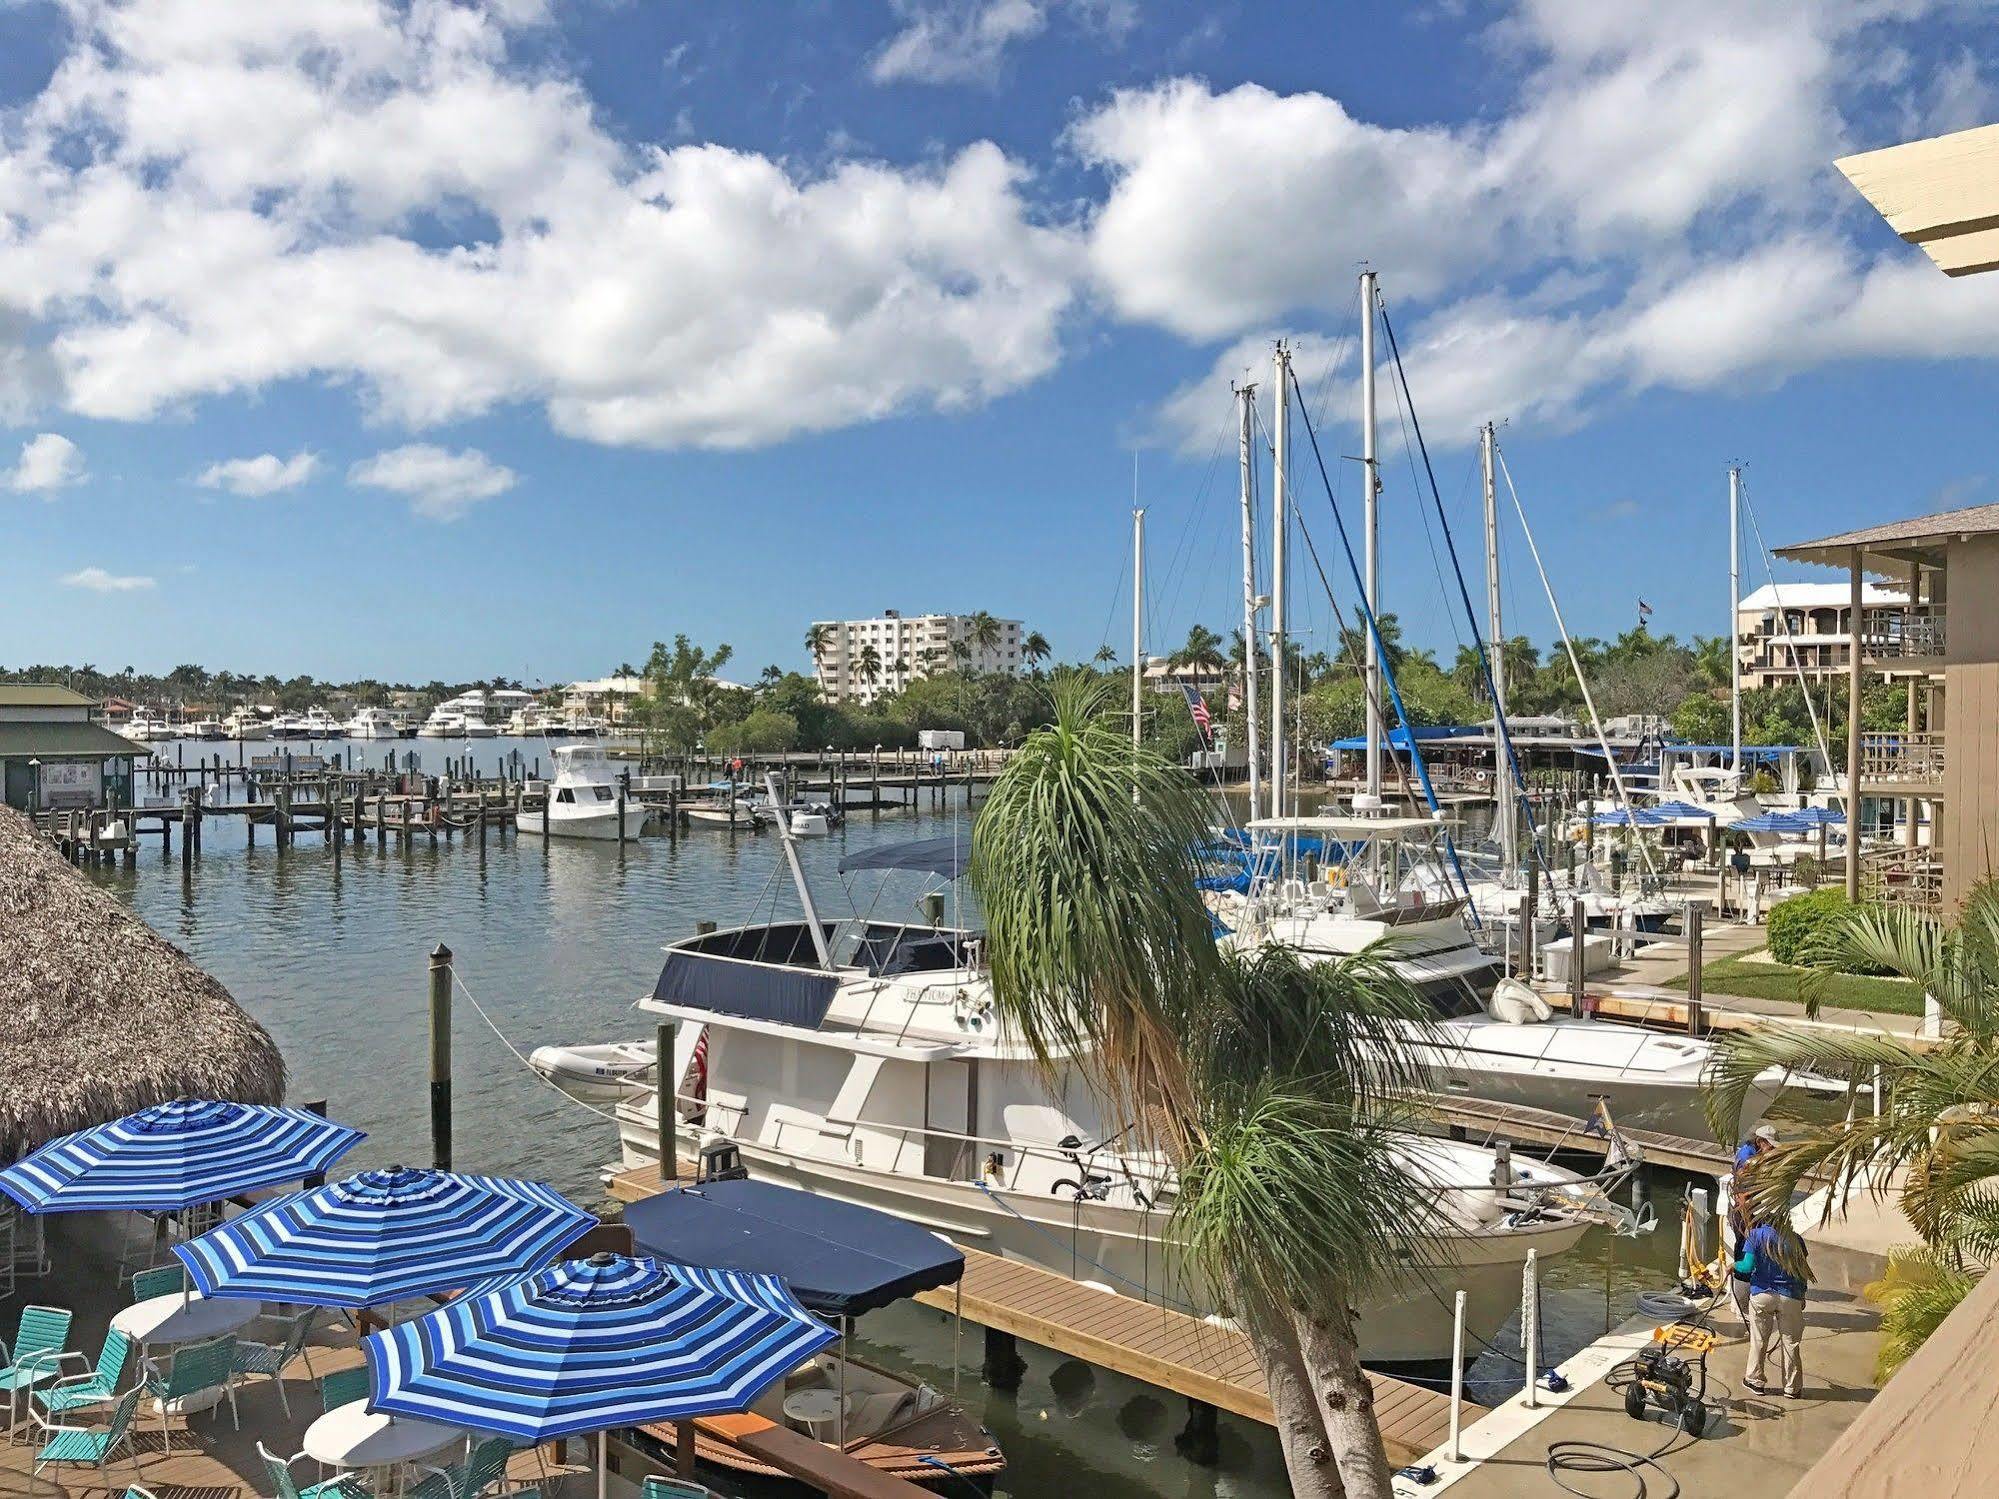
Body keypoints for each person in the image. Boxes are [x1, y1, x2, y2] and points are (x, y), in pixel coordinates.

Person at [1736, 1212, 1811, 1397]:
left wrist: (1733, 1266)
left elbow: (1746, 1267)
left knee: (1759, 1339)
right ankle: (1792, 1388)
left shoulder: (1756, 1235)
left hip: (1762, 1294)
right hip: (1791, 1296)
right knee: (1791, 1342)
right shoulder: (1796, 1240)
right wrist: (1802, 1296)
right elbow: (1803, 1272)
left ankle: (1755, 1381)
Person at [1725, 1125, 1778, 1324]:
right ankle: (1739, 1304)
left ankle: (1742, 1299)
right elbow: (1741, 1190)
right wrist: (1748, 1218)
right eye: (1770, 1146)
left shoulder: (1758, 1155)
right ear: (1760, 1142)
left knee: (1749, 1254)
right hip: (1743, 1212)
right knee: (1744, 1255)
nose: (1772, 1150)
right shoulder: (1747, 1158)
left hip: (1751, 1209)